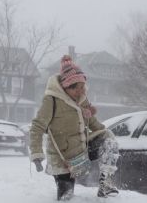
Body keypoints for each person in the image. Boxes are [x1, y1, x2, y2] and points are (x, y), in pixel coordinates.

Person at [29, 55, 119, 200]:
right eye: (75, 87)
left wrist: (108, 137)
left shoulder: (82, 100)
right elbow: (37, 127)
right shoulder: (51, 100)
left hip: (82, 152)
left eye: (82, 87)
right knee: (66, 196)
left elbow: (94, 123)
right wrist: (37, 154)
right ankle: (65, 192)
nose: (80, 91)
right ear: (65, 87)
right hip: (62, 158)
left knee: (108, 138)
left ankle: (106, 184)